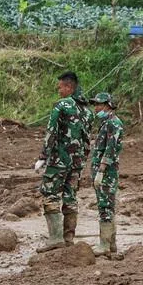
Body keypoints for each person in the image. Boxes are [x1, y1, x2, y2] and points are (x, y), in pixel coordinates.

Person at [37, 72, 93, 252]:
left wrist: (43, 157)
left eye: (60, 87)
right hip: (77, 162)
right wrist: (81, 161)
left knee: (50, 194)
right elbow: (87, 140)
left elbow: (51, 132)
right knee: (71, 197)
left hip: (59, 160)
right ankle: (68, 238)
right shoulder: (87, 111)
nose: (58, 90)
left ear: (69, 87)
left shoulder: (61, 106)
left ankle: (55, 238)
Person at [90, 93, 124, 258]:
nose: (96, 108)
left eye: (99, 105)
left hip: (107, 172)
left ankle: (105, 244)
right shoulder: (106, 123)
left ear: (108, 105)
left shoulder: (113, 124)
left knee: (105, 207)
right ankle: (111, 244)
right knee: (107, 206)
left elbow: (110, 149)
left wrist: (101, 172)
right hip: (104, 171)